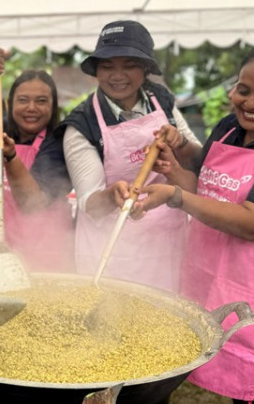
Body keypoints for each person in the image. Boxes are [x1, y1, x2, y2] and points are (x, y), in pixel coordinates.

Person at [133, 38, 254, 403]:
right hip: (218, 270)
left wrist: (177, 197)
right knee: (216, 366)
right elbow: (211, 193)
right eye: (243, 89)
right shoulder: (228, 127)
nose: (249, 103)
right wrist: (176, 172)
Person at [14, 20, 202, 292]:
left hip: (167, 243)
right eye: (107, 66)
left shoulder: (161, 100)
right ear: (97, 70)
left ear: (146, 69)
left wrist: (180, 142)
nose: (117, 75)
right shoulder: (83, 122)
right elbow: (91, 202)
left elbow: (200, 162)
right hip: (112, 252)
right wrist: (112, 194)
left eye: (129, 65)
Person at [0, 51, 74, 274]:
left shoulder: (59, 141)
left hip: (43, 256)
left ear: (53, 106)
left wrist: (10, 157)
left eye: (41, 101)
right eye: (23, 100)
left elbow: (33, 201)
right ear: (9, 105)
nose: (31, 108)